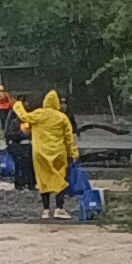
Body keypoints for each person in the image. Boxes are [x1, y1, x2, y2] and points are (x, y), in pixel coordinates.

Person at [24, 89, 79, 217]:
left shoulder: (38, 114)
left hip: (40, 154)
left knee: (43, 180)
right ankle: (59, 208)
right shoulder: (62, 118)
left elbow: (25, 122)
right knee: (60, 179)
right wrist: (74, 153)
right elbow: (69, 138)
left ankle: (46, 209)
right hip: (58, 153)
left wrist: (17, 106)